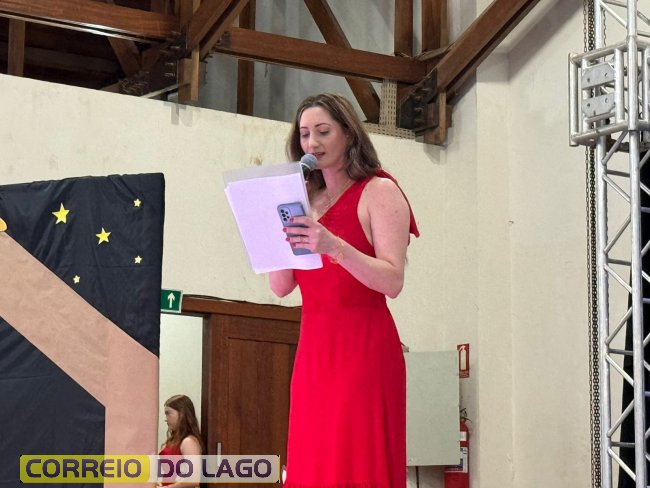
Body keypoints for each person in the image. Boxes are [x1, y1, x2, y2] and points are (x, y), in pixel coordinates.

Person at [270, 93, 419, 488]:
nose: (312, 143)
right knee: (313, 461)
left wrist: (333, 245)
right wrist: (269, 230)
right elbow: (281, 286)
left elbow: (393, 281)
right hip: (314, 352)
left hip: (363, 349)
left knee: (356, 460)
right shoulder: (304, 202)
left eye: (323, 132)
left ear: (349, 134)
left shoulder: (379, 191)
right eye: (304, 134)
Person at [157, 394, 203, 488]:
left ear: (181, 414)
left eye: (168, 413)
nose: (166, 419)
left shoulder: (189, 442)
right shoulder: (174, 440)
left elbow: (193, 479)